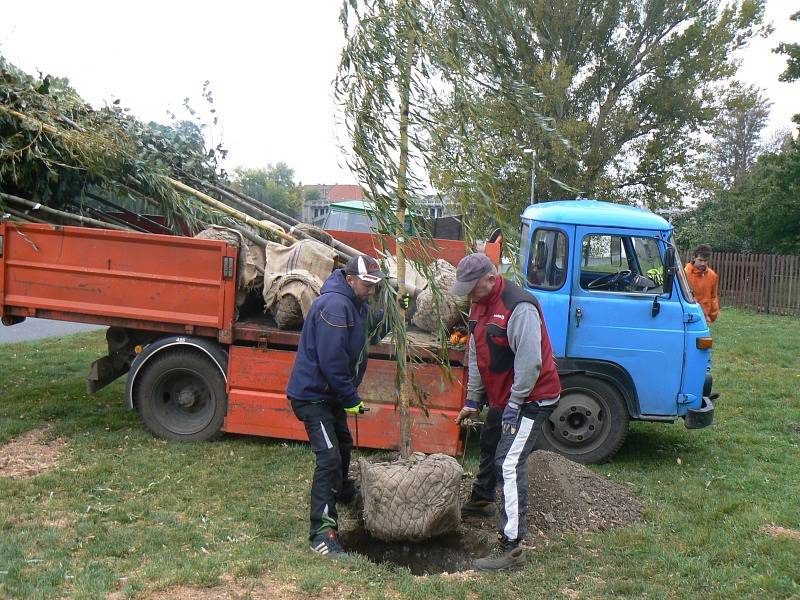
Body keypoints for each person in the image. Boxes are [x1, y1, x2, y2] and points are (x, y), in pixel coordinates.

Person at [453, 253, 561, 571]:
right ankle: (483, 500)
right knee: (489, 440)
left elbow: (530, 364)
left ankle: (512, 546)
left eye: (473, 287)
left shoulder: (519, 307)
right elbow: (477, 354)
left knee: (509, 463)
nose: (470, 295)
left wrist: (514, 403)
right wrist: (473, 400)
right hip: (505, 396)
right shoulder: (478, 304)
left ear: (491, 277)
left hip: (532, 397)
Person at [286, 254, 386, 557]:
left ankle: (341, 491)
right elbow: (332, 361)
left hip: (330, 396)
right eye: (367, 285)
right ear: (351, 279)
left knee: (343, 443)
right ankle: (322, 533)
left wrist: (392, 314)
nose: (371, 290)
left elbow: (370, 334)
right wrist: (351, 398)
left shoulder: (356, 304)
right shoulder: (334, 306)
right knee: (328, 458)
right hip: (313, 397)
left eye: (375, 286)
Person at [684, 244, 719, 324]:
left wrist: (712, 316)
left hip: (705, 318)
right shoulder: (685, 274)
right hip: (688, 316)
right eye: (700, 260)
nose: (703, 263)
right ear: (694, 258)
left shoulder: (712, 275)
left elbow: (713, 297)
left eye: (705, 260)